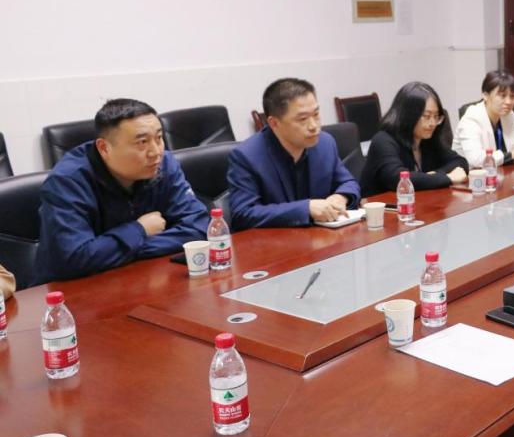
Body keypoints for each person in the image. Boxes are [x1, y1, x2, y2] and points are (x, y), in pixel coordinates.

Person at [37, 99, 209, 283]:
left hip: (141, 279)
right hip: (73, 290)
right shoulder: (67, 182)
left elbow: (198, 227)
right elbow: (74, 259)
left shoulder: (164, 164)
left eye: (159, 138)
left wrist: (130, 248)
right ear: (104, 148)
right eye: (142, 142)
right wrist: (139, 230)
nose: (156, 152)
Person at [228, 78, 361, 230]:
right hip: (276, 242)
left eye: (316, 114)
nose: (314, 126)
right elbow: (243, 214)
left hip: (322, 238)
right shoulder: (247, 156)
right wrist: (306, 209)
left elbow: (349, 183)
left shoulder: (325, 143)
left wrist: (341, 197)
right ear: (274, 123)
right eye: (303, 119)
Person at [360, 82, 469, 196]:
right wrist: (447, 178)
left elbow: (460, 162)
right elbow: (398, 179)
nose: (433, 123)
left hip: (416, 203)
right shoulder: (383, 141)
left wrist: (434, 175)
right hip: (382, 205)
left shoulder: (428, 139)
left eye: (436, 116)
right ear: (408, 115)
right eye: (426, 116)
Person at [453, 70, 514, 168]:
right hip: (469, 174)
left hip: (499, 172)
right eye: (502, 96)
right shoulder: (471, 119)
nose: (508, 102)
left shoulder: (508, 115)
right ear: (485, 95)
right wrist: (512, 155)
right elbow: (475, 159)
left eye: (512, 96)